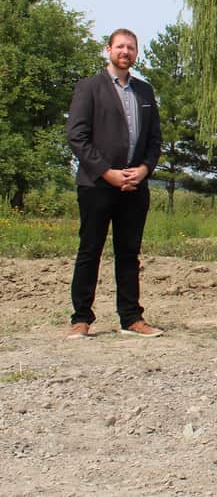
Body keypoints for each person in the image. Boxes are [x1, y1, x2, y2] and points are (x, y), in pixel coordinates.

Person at [66, 28, 165, 339]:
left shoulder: (145, 91)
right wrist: (106, 172)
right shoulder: (89, 88)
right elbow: (77, 136)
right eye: (120, 46)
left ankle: (131, 318)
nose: (125, 52)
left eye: (131, 47)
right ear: (108, 50)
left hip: (135, 187)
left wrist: (144, 169)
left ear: (136, 53)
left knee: (129, 253)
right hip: (97, 185)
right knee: (90, 250)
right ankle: (81, 318)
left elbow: (155, 140)